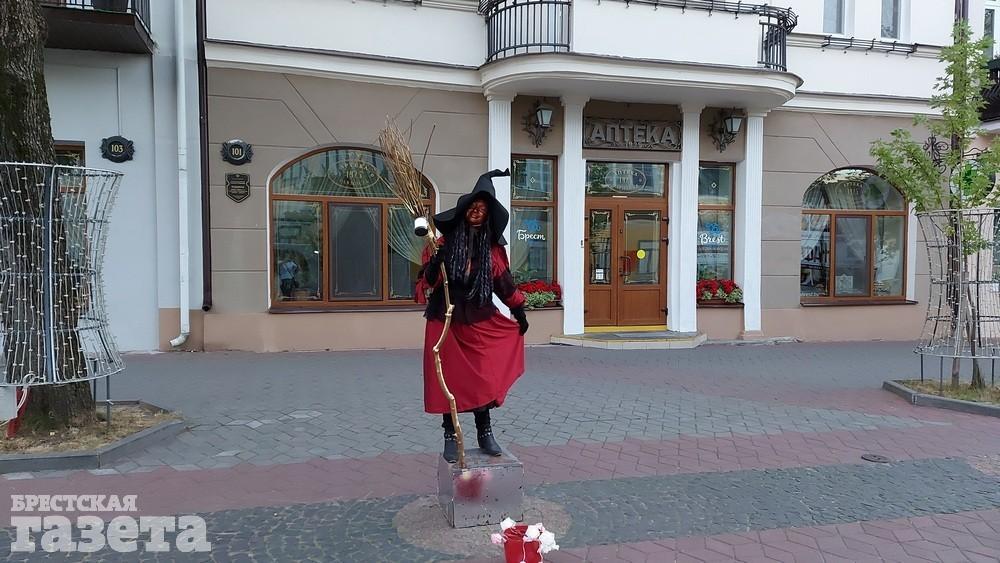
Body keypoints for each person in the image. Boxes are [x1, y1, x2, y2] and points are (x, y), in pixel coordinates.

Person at [417, 169, 529, 463]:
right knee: (446, 378)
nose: (477, 212)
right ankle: (450, 435)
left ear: (488, 216)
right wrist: (436, 264)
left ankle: (485, 431)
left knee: (482, 378)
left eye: (483, 209)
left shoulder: (491, 250)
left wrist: (519, 311)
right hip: (445, 320)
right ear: (464, 210)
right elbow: (427, 282)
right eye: (473, 207)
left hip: (479, 318)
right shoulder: (443, 244)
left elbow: (504, 284)